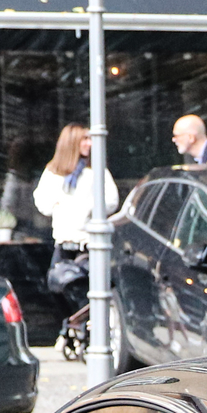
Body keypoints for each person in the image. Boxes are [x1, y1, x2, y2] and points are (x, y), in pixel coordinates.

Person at [34, 124, 119, 319]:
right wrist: (59, 203)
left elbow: (111, 201)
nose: (89, 144)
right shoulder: (54, 172)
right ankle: (71, 329)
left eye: (90, 139)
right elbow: (42, 202)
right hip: (64, 243)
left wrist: (89, 209)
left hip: (87, 245)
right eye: (84, 139)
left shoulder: (96, 170)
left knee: (88, 291)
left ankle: (91, 330)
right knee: (57, 287)